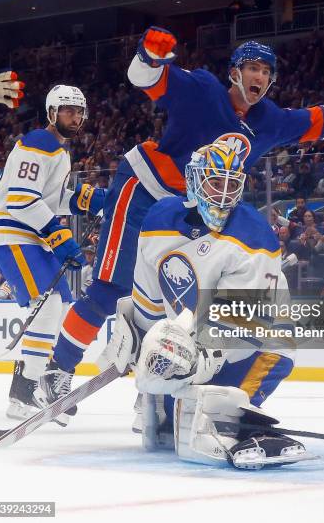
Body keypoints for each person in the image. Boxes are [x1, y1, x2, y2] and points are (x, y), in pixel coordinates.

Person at [49, 26, 324, 398]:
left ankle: (160, 393)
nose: (261, 77)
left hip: (200, 211)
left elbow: (316, 122)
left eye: (267, 71)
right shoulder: (203, 90)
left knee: (193, 296)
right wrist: (150, 56)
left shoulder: (268, 120)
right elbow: (144, 79)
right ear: (234, 72)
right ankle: (55, 369)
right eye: (253, 68)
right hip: (147, 190)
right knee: (112, 287)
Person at [96, 143, 308, 469]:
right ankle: (164, 405)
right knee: (167, 433)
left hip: (252, 343)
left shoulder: (255, 235)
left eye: (231, 184)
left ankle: (233, 417)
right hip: (188, 340)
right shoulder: (159, 219)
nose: (224, 195)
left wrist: (194, 364)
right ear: (194, 180)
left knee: (277, 346)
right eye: (215, 182)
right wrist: (138, 345)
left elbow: (243, 326)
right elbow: (150, 302)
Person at [0, 85, 105, 422]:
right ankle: (24, 393)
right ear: (51, 112)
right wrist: (60, 236)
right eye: (67, 110)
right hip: (10, 228)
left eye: (79, 111)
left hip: (28, 232)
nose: (74, 116)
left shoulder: (59, 152)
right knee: (48, 304)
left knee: (60, 303)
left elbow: (49, 198)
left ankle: (30, 387)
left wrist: (91, 200)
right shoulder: (40, 141)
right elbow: (21, 198)